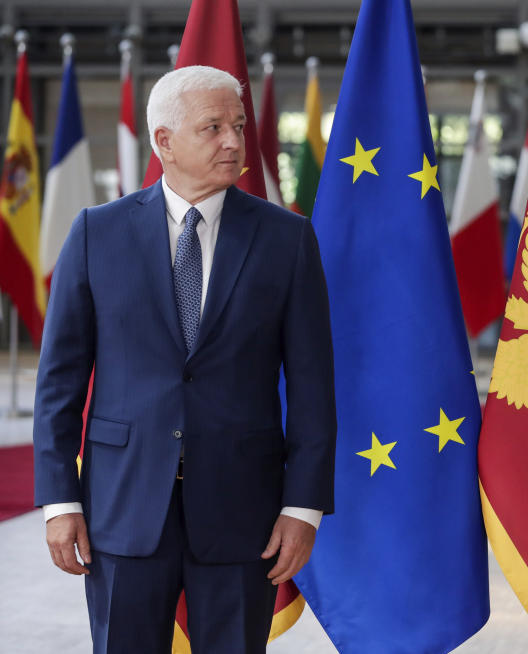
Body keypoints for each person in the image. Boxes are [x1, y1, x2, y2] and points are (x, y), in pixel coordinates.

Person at [33, 65, 336, 653]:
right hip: (120, 508)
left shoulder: (287, 239)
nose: (232, 141)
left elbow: (313, 385)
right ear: (163, 142)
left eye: (238, 125)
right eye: (213, 127)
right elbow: (59, 383)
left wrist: (304, 507)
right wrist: (58, 501)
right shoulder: (96, 233)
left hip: (244, 509)